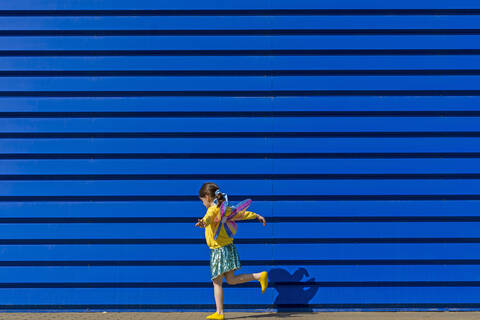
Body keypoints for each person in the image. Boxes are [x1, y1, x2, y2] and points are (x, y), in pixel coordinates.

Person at [195, 182, 268, 320]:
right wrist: (256, 215)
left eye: (202, 201)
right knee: (231, 279)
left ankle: (219, 313)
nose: (203, 203)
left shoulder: (212, 209)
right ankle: (259, 276)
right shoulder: (225, 208)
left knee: (217, 282)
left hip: (219, 251)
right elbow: (241, 213)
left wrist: (203, 222)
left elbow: (208, 218)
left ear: (207, 197)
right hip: (228, 248)